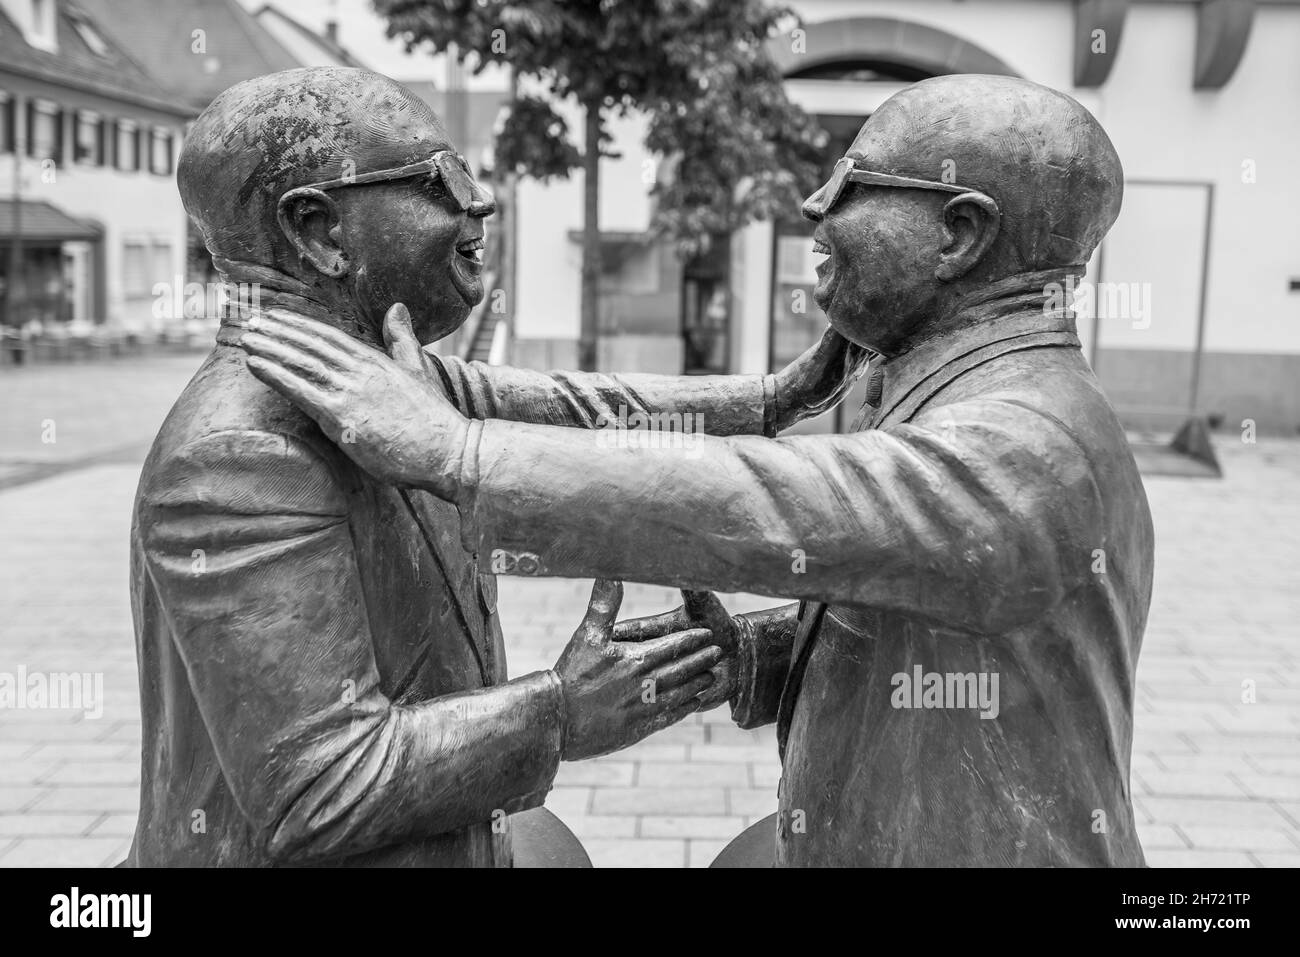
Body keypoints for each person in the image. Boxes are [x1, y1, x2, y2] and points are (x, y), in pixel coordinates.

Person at [242, 74, 1154, 867]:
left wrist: (451, 452)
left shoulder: (1033, 440)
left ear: (959, 232)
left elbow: (776, 502)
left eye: (850, 182)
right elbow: (925, 600)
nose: (813, 207)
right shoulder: (963, 386)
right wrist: (754, 653)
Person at [129, 66, 861, 867]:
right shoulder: (240, 456)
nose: (476, 202)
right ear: (321, 232)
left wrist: (775, 398)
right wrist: (560, 711)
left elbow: (579, 406)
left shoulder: (388, 368)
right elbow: (316, 786)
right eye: (438, 180)